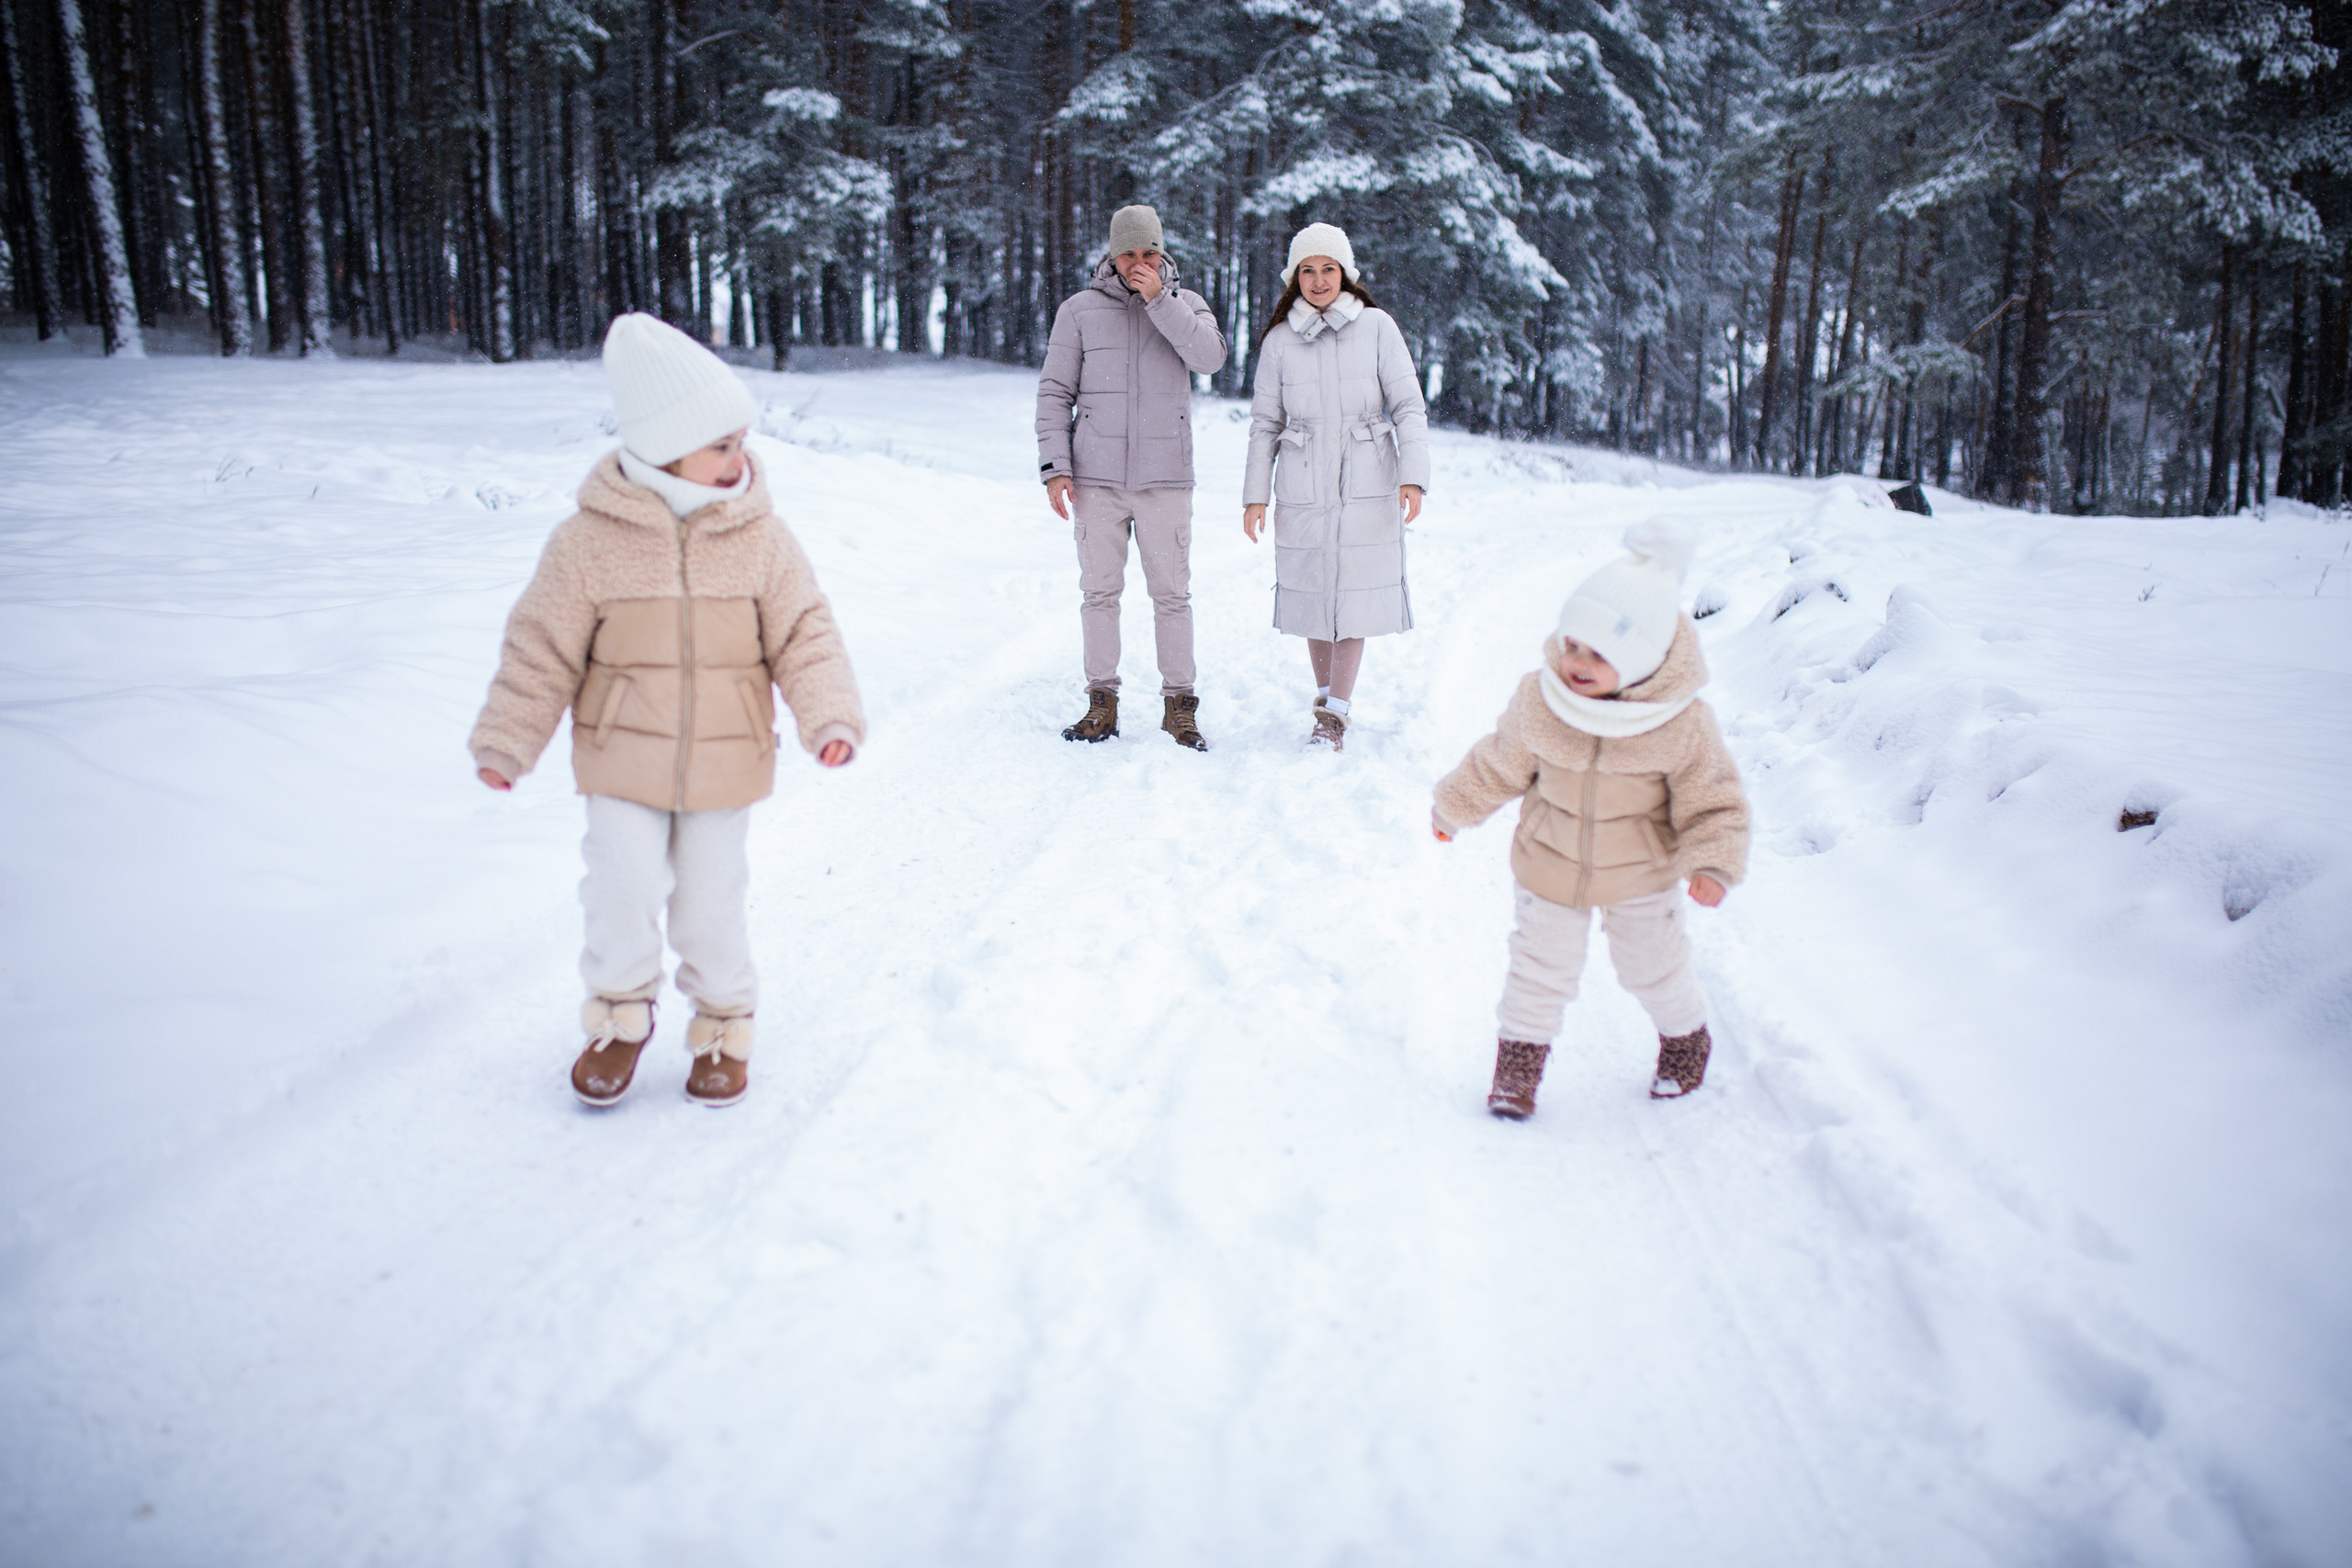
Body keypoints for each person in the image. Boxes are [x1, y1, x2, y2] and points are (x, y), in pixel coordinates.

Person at [469, 312, 865, 1109]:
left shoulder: (761, 536)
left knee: (709, 904)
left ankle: (724, 1025)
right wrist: (508, 740)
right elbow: (540, 645)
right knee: (618, 888)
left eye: (741, 439)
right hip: (621, 757)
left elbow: (805, 632)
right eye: (720, 443)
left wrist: (829, 717)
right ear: (661, 444)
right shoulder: (588, 541)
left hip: (726, 760)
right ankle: (618, 1017)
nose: (739, 457)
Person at [1430, 521, 1749, 1116]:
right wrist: (1454, 806)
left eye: (1598, 653)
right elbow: (1499, 762)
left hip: (1641, 874)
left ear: (1641, 661)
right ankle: (1516, 1073)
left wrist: (1713, 861)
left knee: (1652, 968)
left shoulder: (1679, 722)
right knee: (1538, 969)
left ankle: (1686, 1041)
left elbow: (1714, 798)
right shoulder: (1543, 698)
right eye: (1573, 643)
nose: (1576, 660)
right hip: (1549, 865)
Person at [1035, 204, 1228, 750]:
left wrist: (1158, 301)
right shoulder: (1078, 311)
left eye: (1148, 253)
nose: (1138, 263)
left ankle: (1179, 708)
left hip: (1167, 478)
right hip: (1096, 478)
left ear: (1161, 253)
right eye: (1129, 254)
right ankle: (1102, 703)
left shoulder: (1186, 304)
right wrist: (1056, 469)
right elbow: (1055, 393)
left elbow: (1211, 358)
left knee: (1172, 595)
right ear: (1112, 255)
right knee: (1099, 593)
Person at [1241, 221, 1430, 752]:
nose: (1319, 280)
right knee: (1314, 594)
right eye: (1308, 270)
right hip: (1302, 483)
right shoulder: (1279, 341)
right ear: (1294, 277)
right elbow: (1264, 424)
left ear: (1345, 273)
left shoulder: (1377, 327)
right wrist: (1256, 494)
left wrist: (1413, 476)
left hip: (1369, 479)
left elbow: (1409, 407)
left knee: (1353, 595)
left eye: (1328, 269)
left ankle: (1335, 715)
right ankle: (1326, 698)